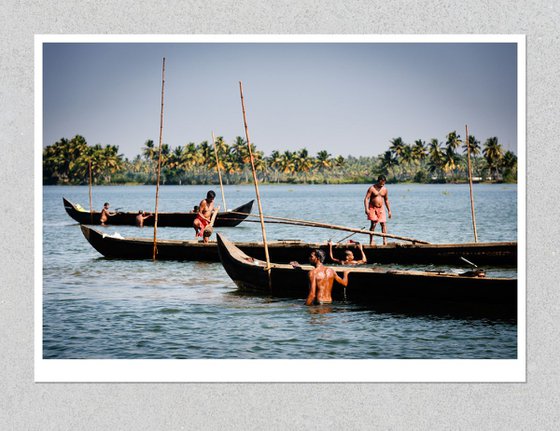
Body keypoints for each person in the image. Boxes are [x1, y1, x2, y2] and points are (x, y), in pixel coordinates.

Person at [364, 175, 392, 245]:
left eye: (384, 183)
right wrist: (366, 209)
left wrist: (389, 210)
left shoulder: (385, 189)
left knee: (383, 224)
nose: (383, 184)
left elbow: (386, 200)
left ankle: (384, 240)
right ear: (379, 181)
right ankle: (371, 240)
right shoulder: (372, 188)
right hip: (372, 208)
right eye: (382, 183)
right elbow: (366, 199)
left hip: (381, 208)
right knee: (373, 224)